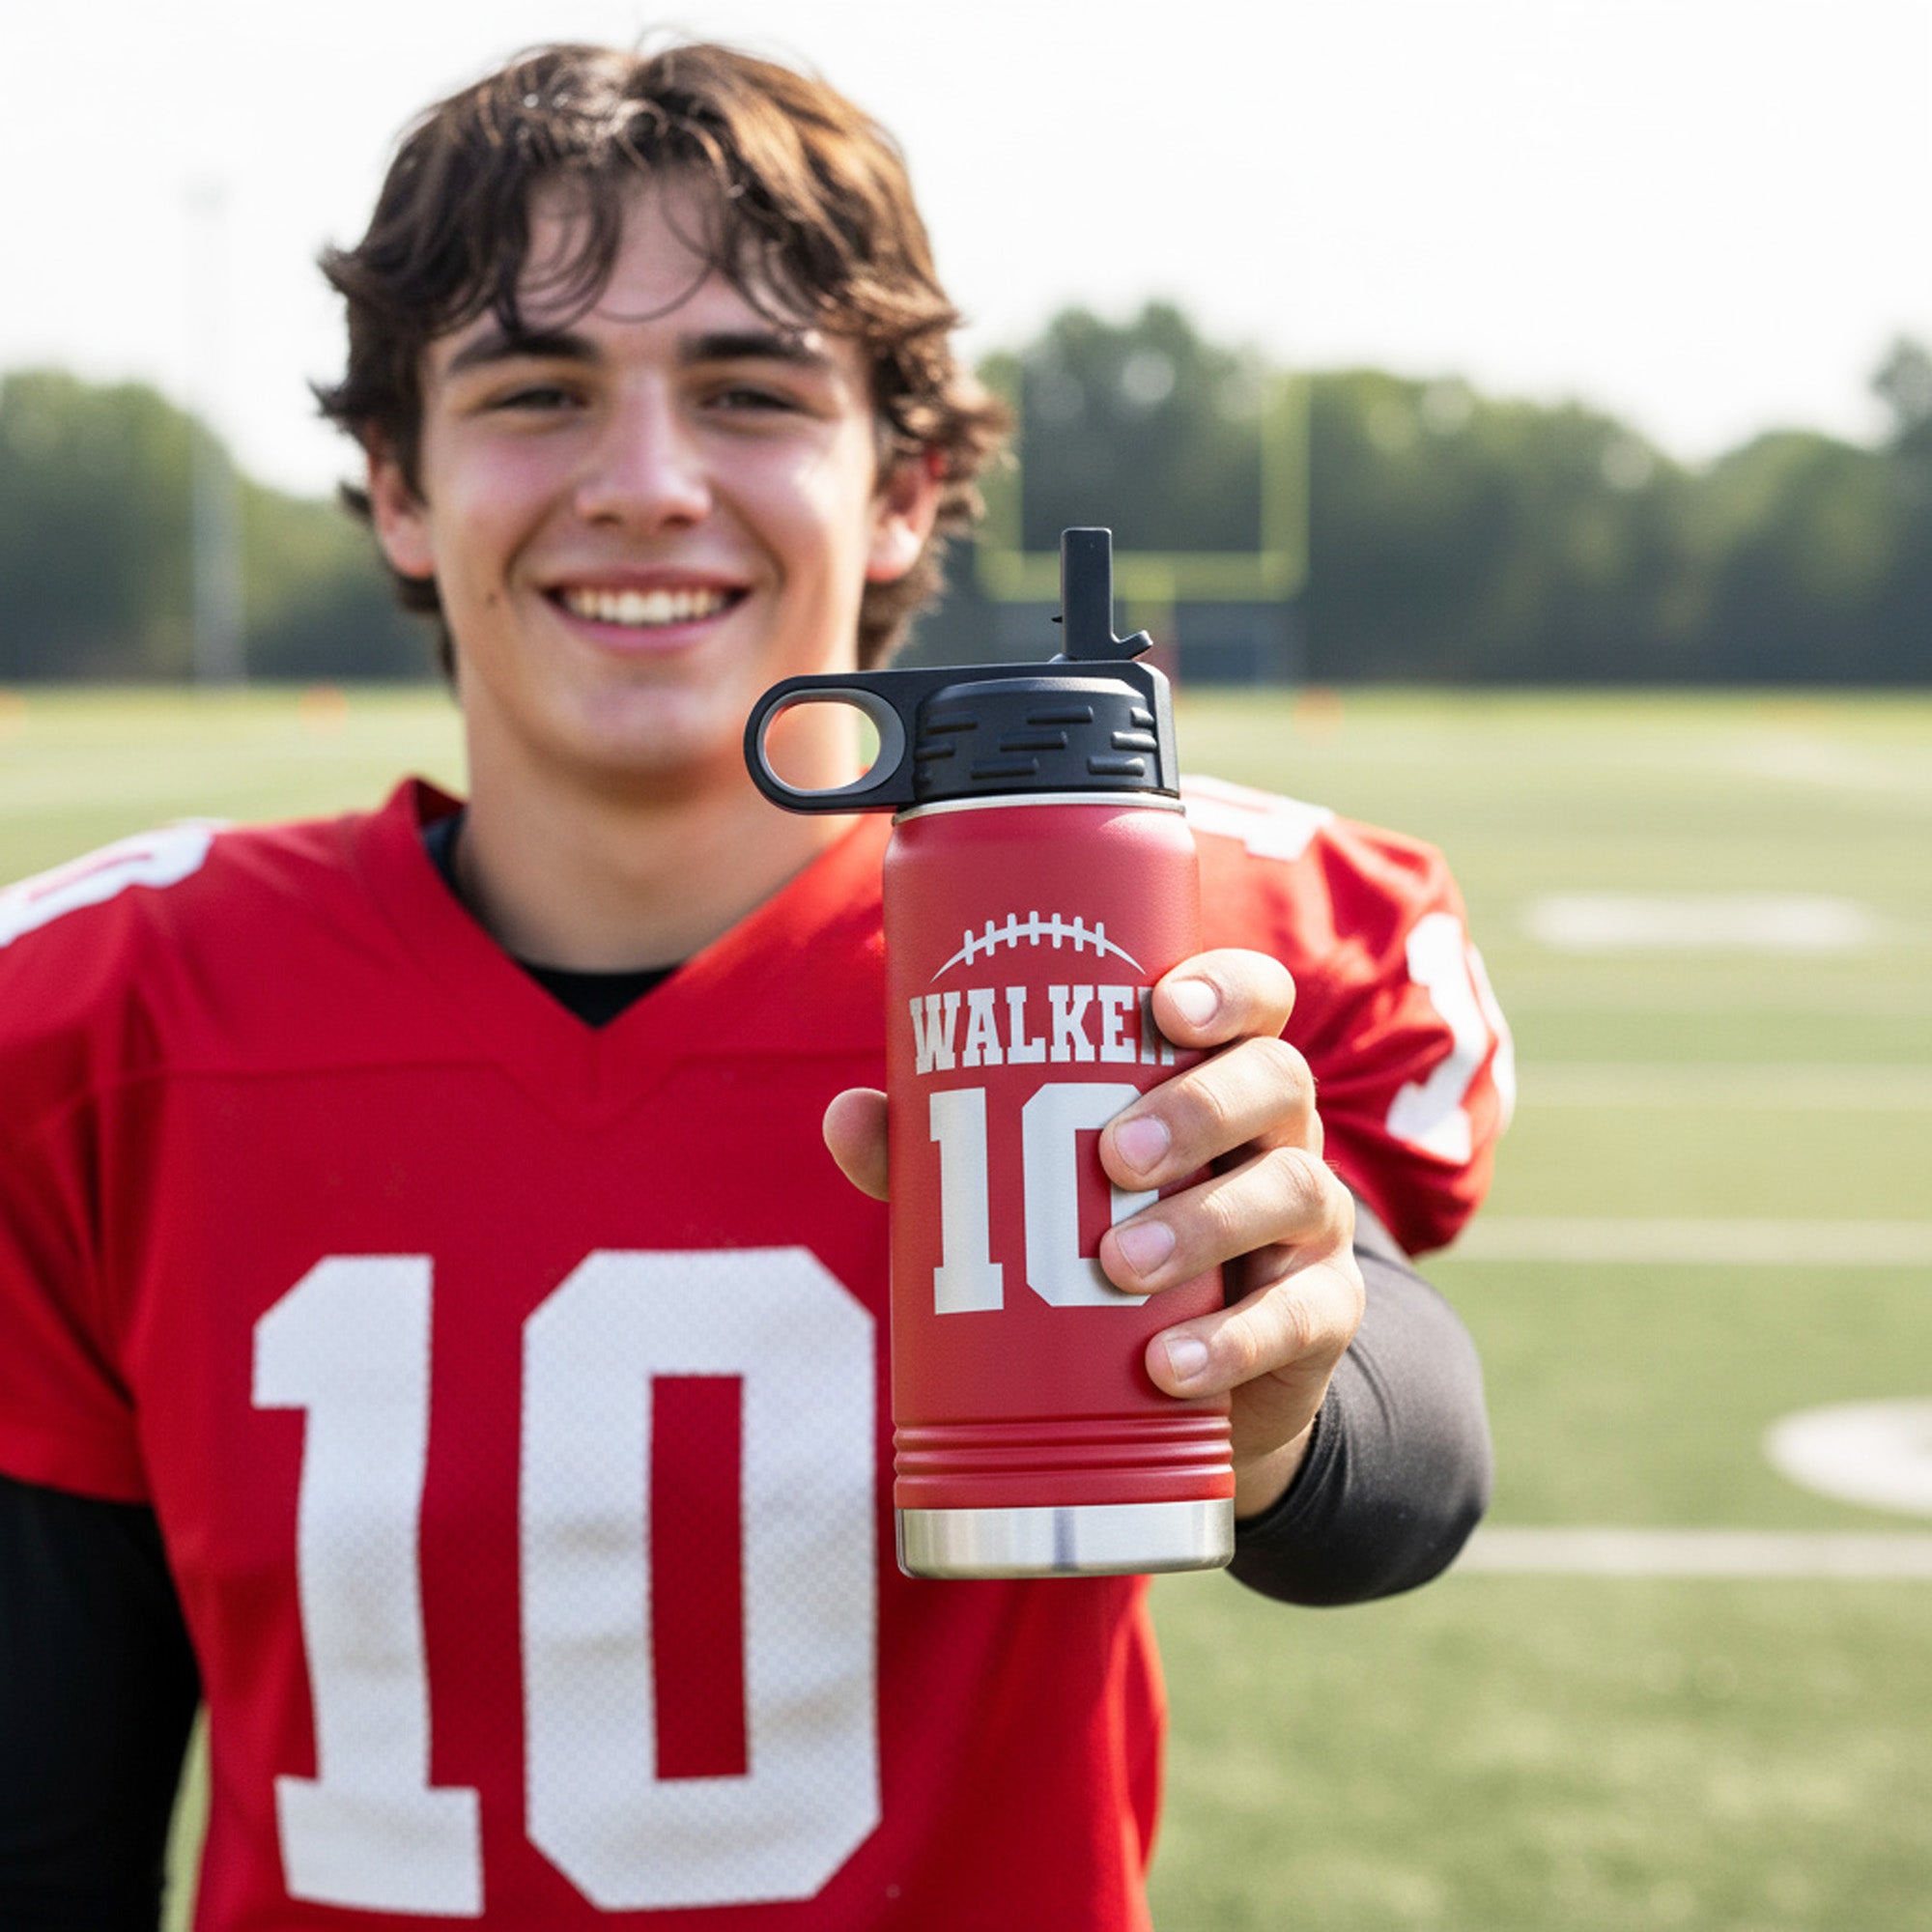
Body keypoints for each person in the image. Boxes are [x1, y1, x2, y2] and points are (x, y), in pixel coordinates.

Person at [0, 40, 1508, 1932]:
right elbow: (42, 1822)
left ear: (907, 488)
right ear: (396, 485)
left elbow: (1406, 1476)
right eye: (538, 391)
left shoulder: (1108, 936)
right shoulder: (113, 1022)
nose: (645, 483)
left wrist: (1277, 1394)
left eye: (747, 389)